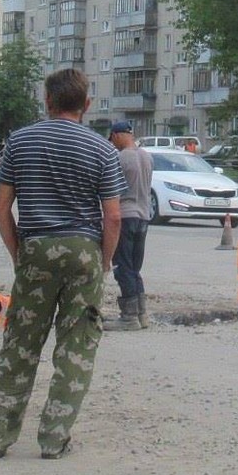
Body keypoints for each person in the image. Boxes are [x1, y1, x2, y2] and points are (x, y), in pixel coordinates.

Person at [0, 68, 126, 461]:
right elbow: (112, 217)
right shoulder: (102, 149)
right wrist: (104, 260)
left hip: (35, 248)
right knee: (76, 347)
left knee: (21, 345)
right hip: (83, 252)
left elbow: (0, 207)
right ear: (87, 105)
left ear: (47, 101)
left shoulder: (20, 142)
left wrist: (18, 253)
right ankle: (53, 439)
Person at [103, 121, 152, 331]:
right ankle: (142, 314)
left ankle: (129, 317)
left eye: (112, 139)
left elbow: (112, 189)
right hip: (143, 215)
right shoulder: (146, 156)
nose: (112, 144)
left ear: (116, 135)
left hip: (125, 215)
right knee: (134, 267)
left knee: (122, 266)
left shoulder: (120, 157)